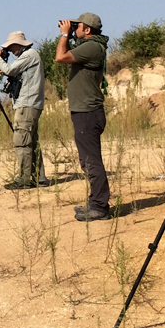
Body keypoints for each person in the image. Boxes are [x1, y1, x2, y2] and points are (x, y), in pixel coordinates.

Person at [55, 13, 112, 221]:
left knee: (91, 161)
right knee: (88, 159)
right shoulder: (91, 46)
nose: (74, 28)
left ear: (87, 30)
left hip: (87, 113)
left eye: (77, 26)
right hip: (86, 111)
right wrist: (69, 35)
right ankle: (95, 202)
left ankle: (100, 206)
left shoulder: (90, 47)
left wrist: (64, 35)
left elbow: (61, 57)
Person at [0, 31, 48, 189]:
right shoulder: (30, 56)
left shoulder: (29, 55)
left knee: (21, 143)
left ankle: (23, 180)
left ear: (18, 44)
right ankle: (39, 178)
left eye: (10, 47)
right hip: (31, 104)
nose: (10, 50)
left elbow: (9, 70)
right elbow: (14, 73)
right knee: (31, 142)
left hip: (27, 104)